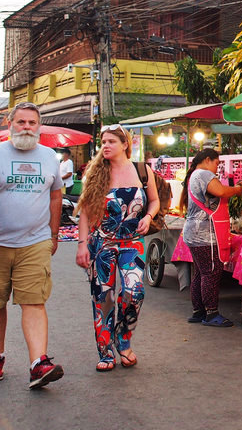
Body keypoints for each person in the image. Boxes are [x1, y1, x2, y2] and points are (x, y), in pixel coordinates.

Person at [0, 102, 65, 388]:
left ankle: (38, 363)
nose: (27, 127)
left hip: (35, 242)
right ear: (10, 125)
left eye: (32, 123)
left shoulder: (49, 157)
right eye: (21, 122)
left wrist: (53, 234)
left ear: (39, 127)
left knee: (34, 300)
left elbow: (55, 196)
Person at [74, 124, 158, 371]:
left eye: (111, 141)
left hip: (133, 243)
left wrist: (148, 217)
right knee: (104, 298)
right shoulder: (95, 173)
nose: (106, 146)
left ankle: (123, 339)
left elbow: (154, 201)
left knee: (135, 291)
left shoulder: (142, 171)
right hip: (101, 243)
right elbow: (85, 214)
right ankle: (105, 351)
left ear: (125, 145)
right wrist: (82, 245)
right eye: (103, 142)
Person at [179, 149, 242, 327]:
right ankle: (211, 313)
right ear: (207, 160)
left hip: (195, 233)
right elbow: (221, 191)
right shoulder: (203, 174)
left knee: (201, 273)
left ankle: (198, 311)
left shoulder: (194, 175)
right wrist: (238, 189)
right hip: (204, 234)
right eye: (217, 163)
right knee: (211, 272)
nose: (217, 167)